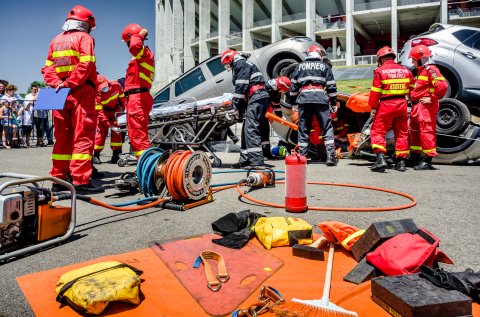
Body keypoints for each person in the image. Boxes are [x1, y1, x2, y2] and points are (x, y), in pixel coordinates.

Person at [41, 5, 103, 194]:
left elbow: (47, 69)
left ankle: (58, 179)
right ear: (87, 24)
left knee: (62, 139)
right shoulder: (85, 38)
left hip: (57, 93)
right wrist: (69, 83)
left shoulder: (55, 40)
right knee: (82, 136)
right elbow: (86, 64)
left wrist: (57, 84)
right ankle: (80, 181)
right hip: (80, 91)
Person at [221, 48, 270, 168]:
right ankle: (245, 159)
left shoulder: (240, 64)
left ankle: (257, 162)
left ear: (229, 59)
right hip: (257, 97)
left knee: (251, 129)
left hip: (256, 97)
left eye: (227, 64)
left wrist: (235, 106)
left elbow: (241, 87)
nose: (228, 67)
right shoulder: (244, 64)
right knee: (246, 129)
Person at [290, 45, 338, 166]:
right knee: (326, 127)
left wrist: (294, 102)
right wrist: (333, 103)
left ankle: (302, 157)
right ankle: (331, 157)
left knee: (304, 129)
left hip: (304, 99)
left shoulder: (299, 67)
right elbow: (331, 86)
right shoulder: (325, 66)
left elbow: (293, 87)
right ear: (318, 54)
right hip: (320, 98)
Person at [368, 46, 414, 172]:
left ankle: (380, 159)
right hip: (402, 104)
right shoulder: (406, 71)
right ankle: (401, 163)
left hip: (385, 105)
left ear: (381, 59)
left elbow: (375, 93)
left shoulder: (380, 71)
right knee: (401, 133)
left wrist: (373, 107)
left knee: (377, 131)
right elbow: (412, 90)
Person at [408, 44, 448, 170]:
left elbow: (442, 86)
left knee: (426, 132)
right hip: (418, 106)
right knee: (413, 131)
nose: (413, 62)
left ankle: (428, 160)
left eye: (414, 60)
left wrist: (431, 98)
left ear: (420, 59)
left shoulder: (432, 70)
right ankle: (415, 157)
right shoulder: (421, 71)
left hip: (426, 106)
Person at [121, 23, 155, 159]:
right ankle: (144, 169)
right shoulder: (141, 57)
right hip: (137, 97)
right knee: (137, 135)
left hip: (138, 98)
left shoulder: (143, 54)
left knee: (138, 136)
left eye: (127, 42)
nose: (127, 46)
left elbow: (135, 47)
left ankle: (146, 170)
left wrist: (138, 36)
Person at [93, 75, 125, 164]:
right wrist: (110, 125)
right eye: (102, 88)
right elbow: (100, 112)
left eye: (105, 86)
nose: (104, 89)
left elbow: (122, 99)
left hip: (115, 110)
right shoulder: (97, 94)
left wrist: (126, 109)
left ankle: (115, 155)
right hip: (104, 112)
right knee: (101, 134)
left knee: (117, 133)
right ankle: (96, 155)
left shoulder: (117, 85)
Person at [262, 76, 290, 159]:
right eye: (282, 89)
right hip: (258, 114)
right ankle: (260, 154)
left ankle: (266, 153)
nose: (282, 92)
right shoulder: (265, 88)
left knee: (265, 132)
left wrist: (280, 117)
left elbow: (276, 104)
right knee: (260, 133)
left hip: (264, 115)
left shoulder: (275, 91)